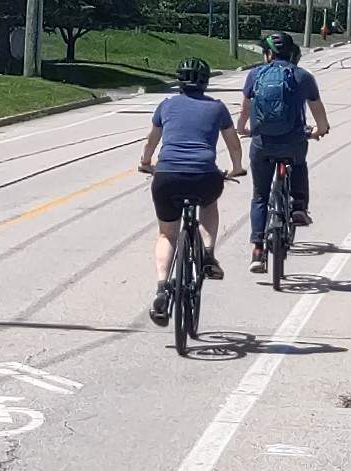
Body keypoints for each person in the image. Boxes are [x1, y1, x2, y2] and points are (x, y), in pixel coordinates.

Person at [138, 56, 242, 325]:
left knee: (167, 234)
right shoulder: (218, 108)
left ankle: (162, 288)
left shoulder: (166, 105)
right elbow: (233, 143)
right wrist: (236, 168)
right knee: (210, 202)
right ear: (206, 83)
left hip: (167, 176)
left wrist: (145, 163)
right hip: (204, 176)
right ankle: (207, 253)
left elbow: (152, 140)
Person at [238, 31, 330, 267]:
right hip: (293, 141)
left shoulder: (255, 75)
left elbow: (245, 107)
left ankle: (258, 249)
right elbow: (318, 112)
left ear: (268, 54)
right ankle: (298, 206)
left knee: (260, 195)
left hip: (262, 144)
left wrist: (242, 128)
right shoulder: (303, 77)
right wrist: (320, 129)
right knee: (299, 163)